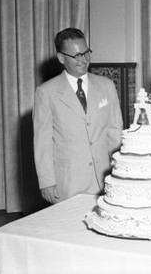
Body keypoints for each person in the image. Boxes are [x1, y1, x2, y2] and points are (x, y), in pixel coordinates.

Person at [33, 28, 123, 204]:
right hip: (68, 182)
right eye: (77, 55)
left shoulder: (107, 86)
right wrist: (46, 181)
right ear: (61, 58)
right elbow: (42, 142)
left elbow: (115, 131)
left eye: (86, 52)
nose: (84, 59)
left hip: (104, 179)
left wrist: (119, 171)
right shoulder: (45, 93)